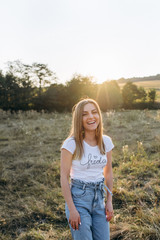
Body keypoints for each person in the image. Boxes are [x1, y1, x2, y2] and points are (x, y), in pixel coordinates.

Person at [60, 98, 114, 240]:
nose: (91, 117)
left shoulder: (106, 141)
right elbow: (64, 178)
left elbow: (108, 173)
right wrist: (72, 209)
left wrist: (109, 201)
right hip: (78, 199)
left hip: (99, 198)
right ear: (79, 118)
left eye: (94, 112)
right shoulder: (71, 144)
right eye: (84, 114)